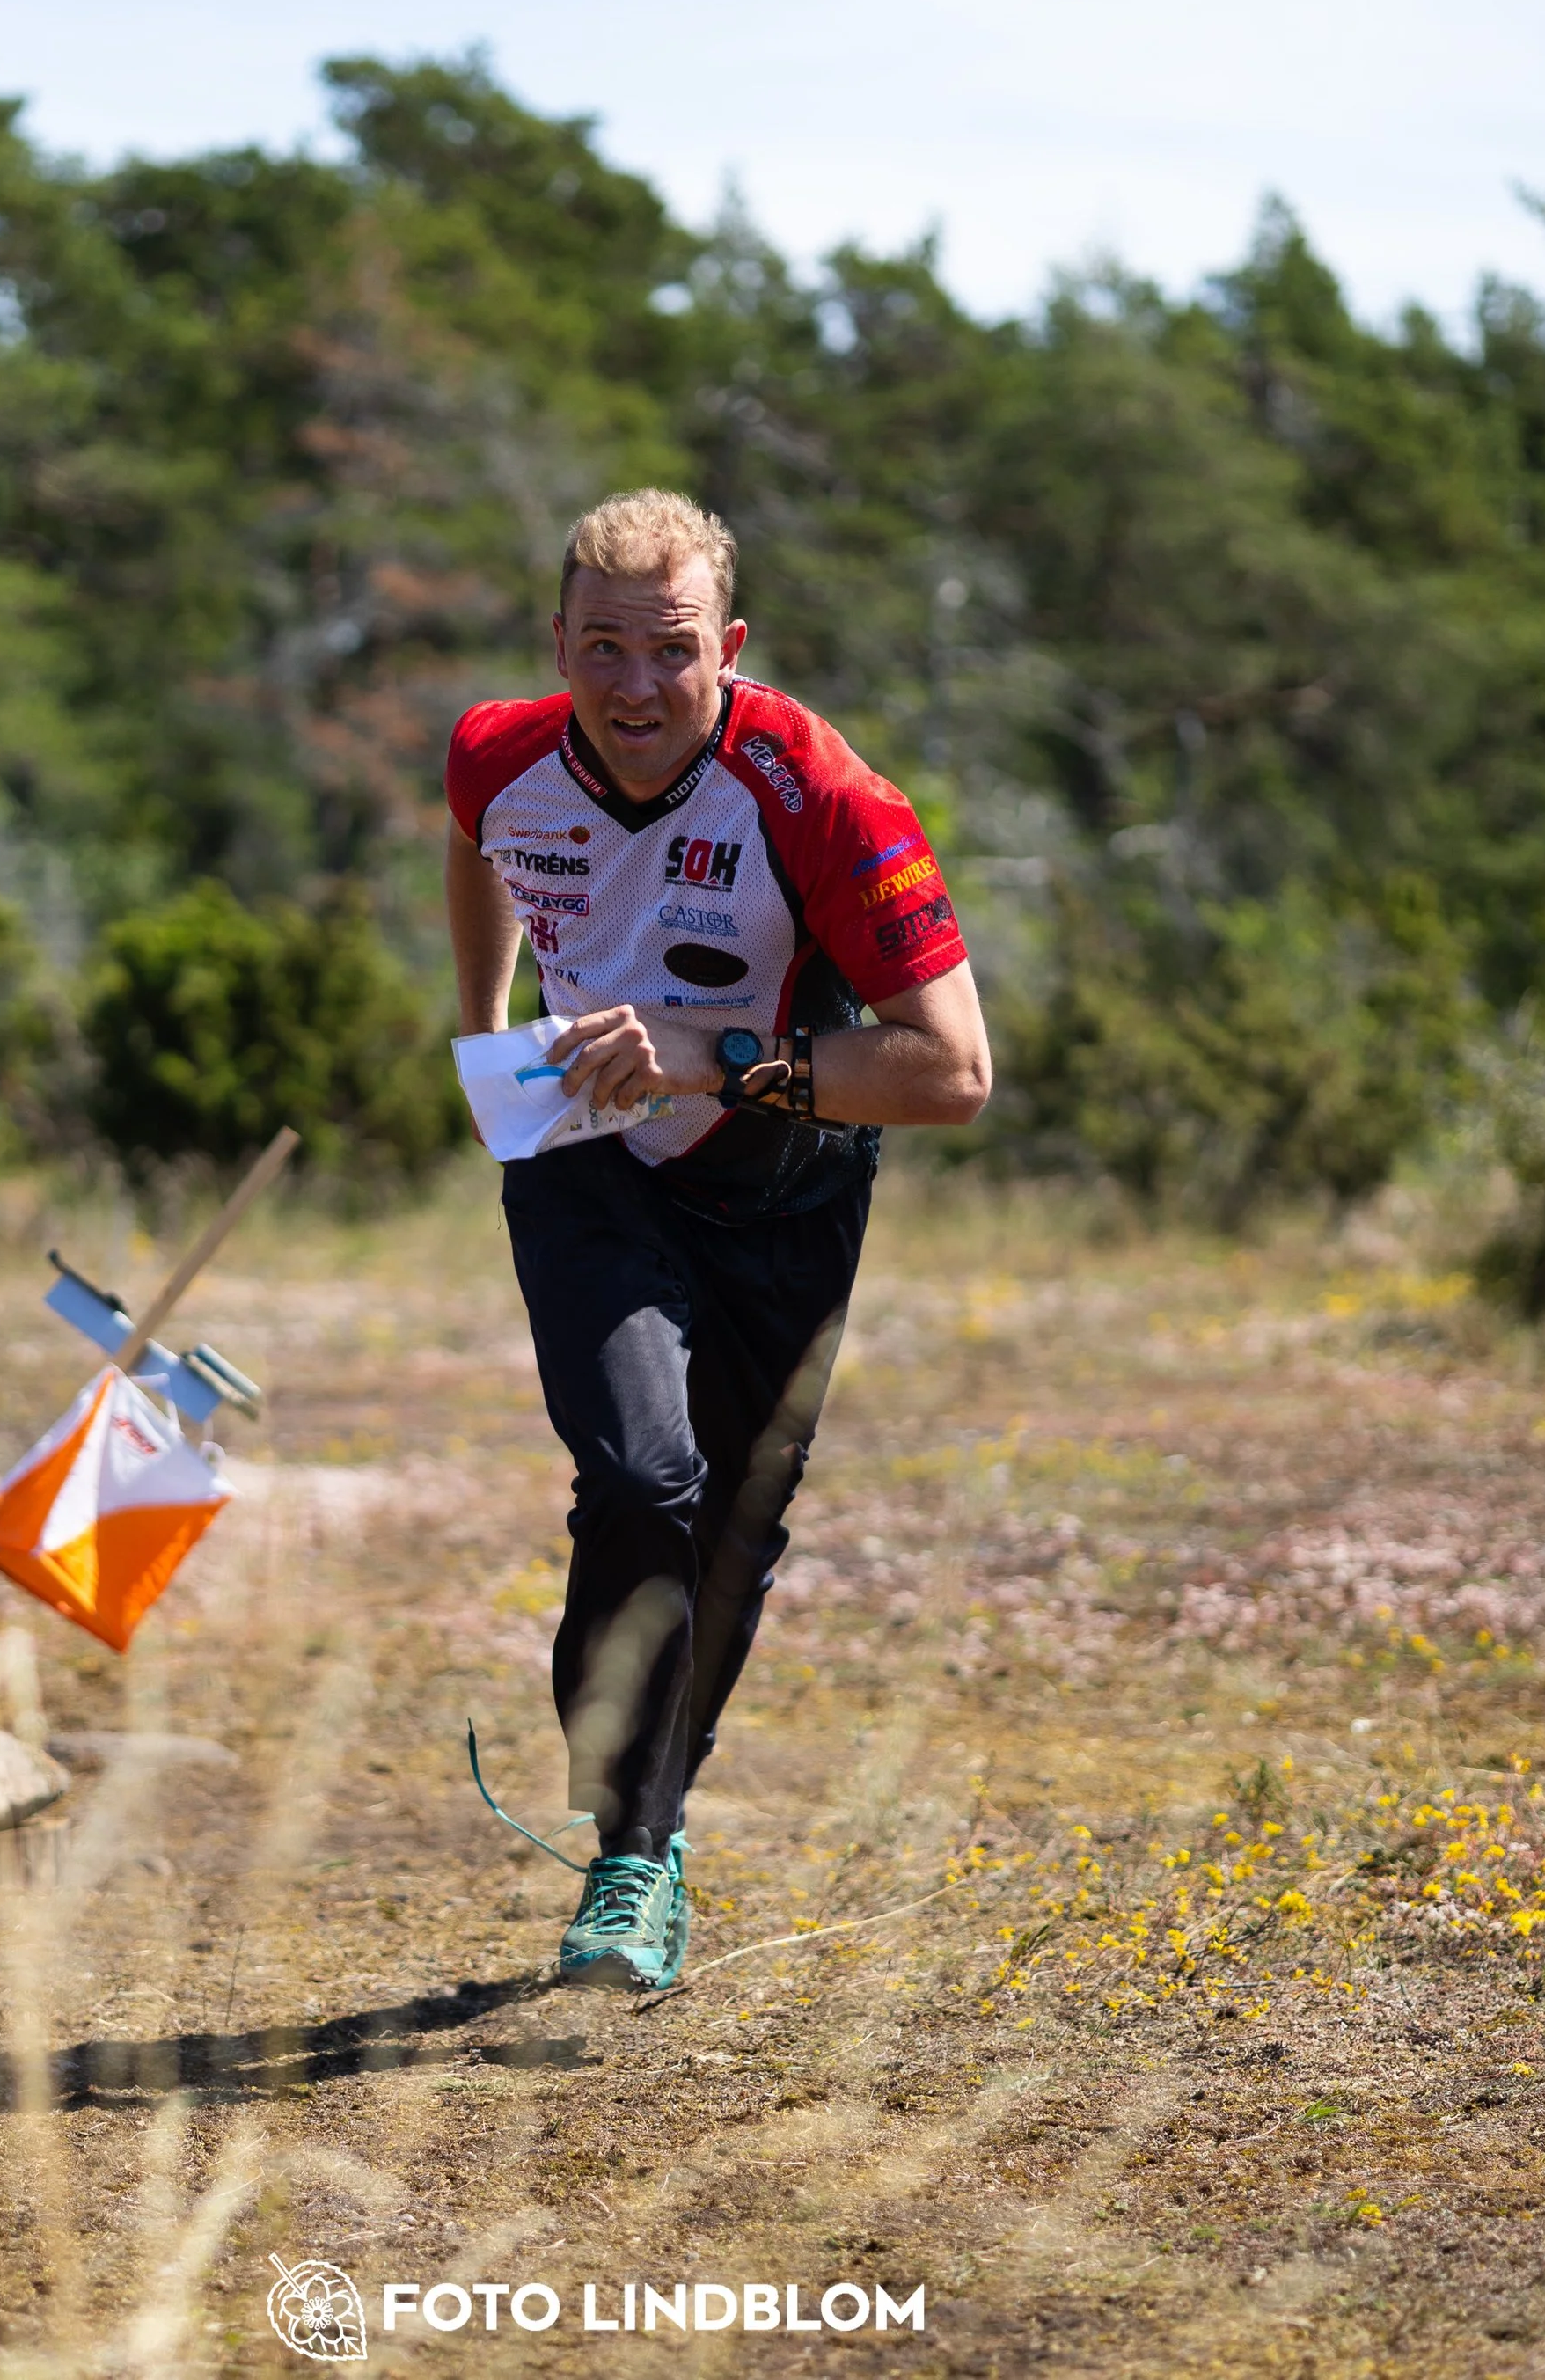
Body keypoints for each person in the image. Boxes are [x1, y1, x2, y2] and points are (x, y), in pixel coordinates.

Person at [444, 489, 992, 1991]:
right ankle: (629, 1856)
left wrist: (711, 1055)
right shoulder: (499, 749)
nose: (633, 688)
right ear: (557, 642)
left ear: (728, 649)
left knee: (730, 1532)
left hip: (785, 1183)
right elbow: (477, 839)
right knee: (640, 1476)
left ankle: (647, 1818)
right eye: (600, 649)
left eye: (670, 653)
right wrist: (484, 1022)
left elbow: (950, 1072)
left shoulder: (820, 796)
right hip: (582, 1161)